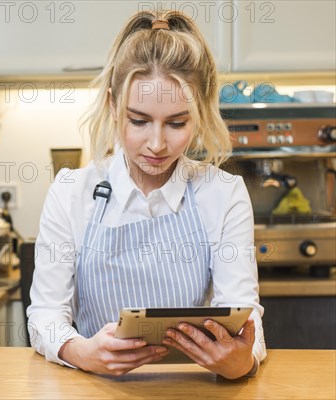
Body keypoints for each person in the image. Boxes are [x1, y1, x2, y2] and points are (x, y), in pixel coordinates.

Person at [27, 10, 267, 379]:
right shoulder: (71, 192)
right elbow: (44, 316)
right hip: (97, 386)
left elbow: (244, 315)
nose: (156, 144)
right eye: (138, 120)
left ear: (199, 114)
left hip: (189, 385)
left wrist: (241, 362)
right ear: (113, 105)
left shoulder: (223, 193)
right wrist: (82, 352)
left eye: (176, 123)